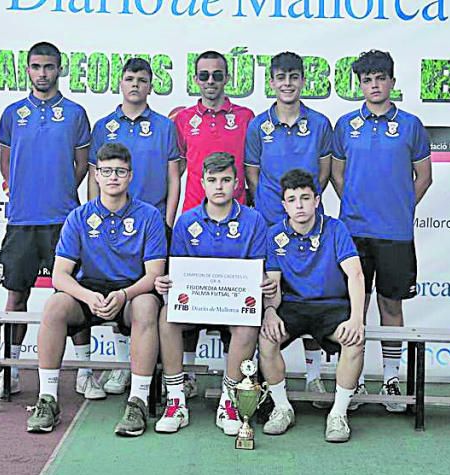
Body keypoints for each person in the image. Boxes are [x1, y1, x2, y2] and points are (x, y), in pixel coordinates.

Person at [27, 143, 167, 437]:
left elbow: (154, 275)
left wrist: (124, 295)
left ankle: (138, 401)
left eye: (120, 171)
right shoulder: (79, 217)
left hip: (131, 291)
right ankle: (47, 398)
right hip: (90, 292)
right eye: (106, 171)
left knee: (146, 306)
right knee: (54, 307)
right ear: (96, 176)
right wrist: (87, 296)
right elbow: (60, 276)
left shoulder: (149, 216)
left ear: (130, 176)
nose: (113, 177)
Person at [0, 41, 95, 402]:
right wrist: (21, 192)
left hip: (64, 219)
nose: (43, 73)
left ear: (59, 69)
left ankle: (84, 373)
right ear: (28, 70)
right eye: (36, 67)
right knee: (16, 294)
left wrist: (61, 192)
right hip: (21, 221)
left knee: (71, 295)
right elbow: (6, 162)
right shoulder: (12, 113)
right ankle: (10, 373)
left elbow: (82, 165)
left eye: (49, 67)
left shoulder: (76, 114)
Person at [245, 51, 349, 407]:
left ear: (303, 80)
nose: (287, 83)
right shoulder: (258, 125)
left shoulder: (320, 123)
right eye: (280, 77)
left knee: (311, 289)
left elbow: (323, 173)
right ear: (271, 82)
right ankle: (261, 384)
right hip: (272, 224)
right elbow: (253, 175)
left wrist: (303, 207)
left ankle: (314, 376)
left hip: (306, 219)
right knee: (273, 297)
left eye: (293, 76)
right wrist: (277, 212)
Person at [331, 50, 432, 412]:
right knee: (353, 306)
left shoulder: (411, 125)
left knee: (391, 304)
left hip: (395, 233)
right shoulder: (345, 125)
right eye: (367, 80)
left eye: (380, 79)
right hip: (354, 231)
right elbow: (337, 175)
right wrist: (357, 205)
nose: (374, 86)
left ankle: (391, 378)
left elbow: (424, 177)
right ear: (360, 84)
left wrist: (399, 208)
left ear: (392, 81)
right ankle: (351, 380)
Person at [152, 152, 274, 435]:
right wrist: (165, 283)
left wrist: (265, 283)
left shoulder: (254, 221)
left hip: (233, 304)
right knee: (166, 316)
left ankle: (229, 402)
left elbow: (259, 270)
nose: (219, 186)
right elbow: (177, 271)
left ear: (236, 183)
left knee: (247, 323)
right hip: (196, 303)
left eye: (226, 180)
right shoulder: (185, 222)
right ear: (203, 184)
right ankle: (176, 401)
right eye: (213, 180)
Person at [88, 57, 182, 396]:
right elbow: (92, 179)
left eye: (142, 79)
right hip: (109, 226)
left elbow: (174, 179)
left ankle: (161, 373)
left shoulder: (165, 126)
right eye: (129, 78)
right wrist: (91, 218)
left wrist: (167, 222)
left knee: (148, 299)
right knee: (113, 285)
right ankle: (120, 365)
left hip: (152, 228)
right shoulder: (102, 126)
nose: (135, 85)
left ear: (150, 85)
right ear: (121, 83)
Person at [259, 168, 367, 443]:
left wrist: (357, 318)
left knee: (354, 341)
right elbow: (273, 283)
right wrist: (270, 311)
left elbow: (355, 273)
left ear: (317, 200)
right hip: (294, 305)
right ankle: (282, 407)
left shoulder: (335, 228)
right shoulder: (274, 235)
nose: (299, 205)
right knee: (266, 339)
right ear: (284, 204)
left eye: (305, 198)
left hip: (331, 306)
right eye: (292, 199)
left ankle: (338, 414)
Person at [173, 50, 256, 392]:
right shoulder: (181, 119)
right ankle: (187, 375)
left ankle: (232, 383)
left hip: (236, 225)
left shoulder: (247, 117)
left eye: (217, 75)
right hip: (193, 225)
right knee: (188, 302)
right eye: (204, 75)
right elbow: (174, 170)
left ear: (227, 78)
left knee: (235, 305)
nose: (211, 82)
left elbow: (252, 169)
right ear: (195, 79)